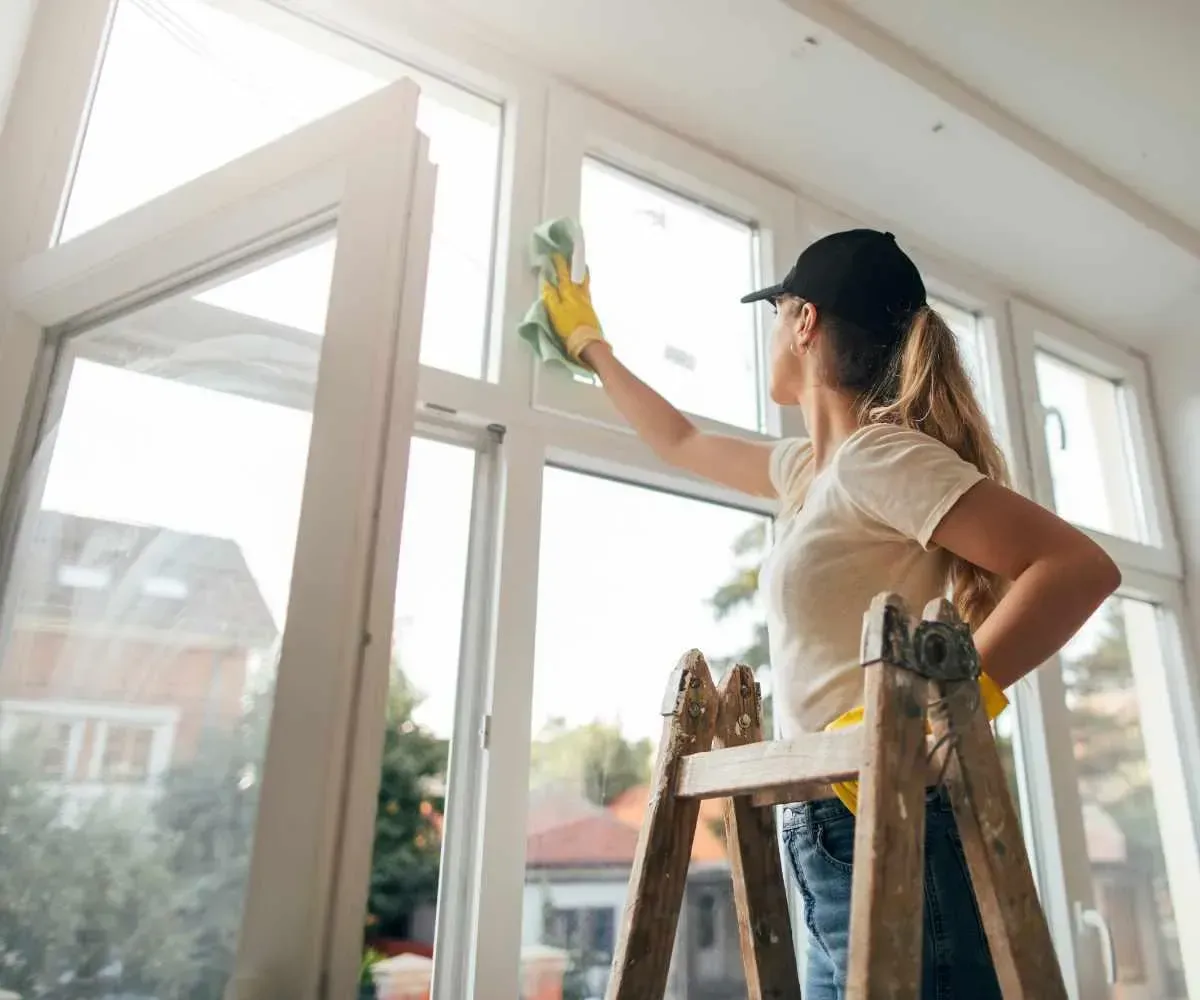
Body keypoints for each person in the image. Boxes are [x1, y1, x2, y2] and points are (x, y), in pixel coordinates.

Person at [539, 228, 1120, 999]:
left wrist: (940, 709)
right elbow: (678, 439)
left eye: (776, 313)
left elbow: (1078, 569)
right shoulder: (809, 472)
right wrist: (590, 344)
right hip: (825, 830)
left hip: (895, 820)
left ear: (804, 321)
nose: (773, 331)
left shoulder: (883, 458)